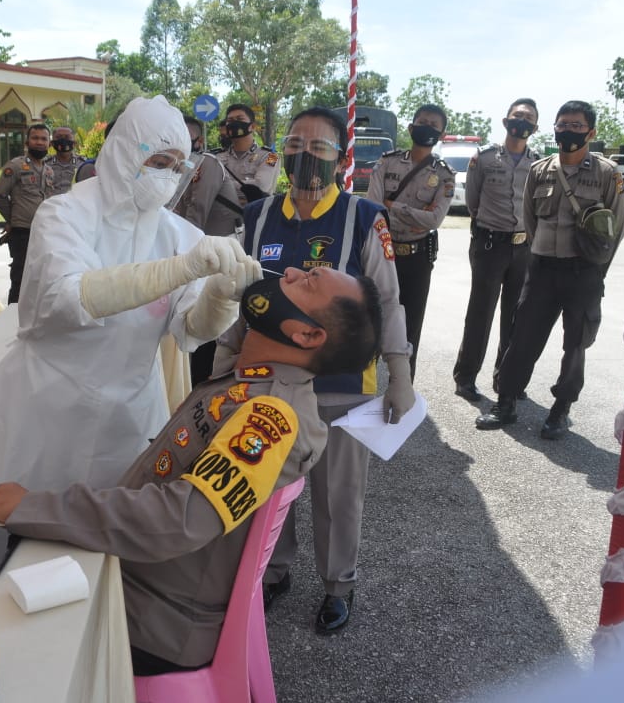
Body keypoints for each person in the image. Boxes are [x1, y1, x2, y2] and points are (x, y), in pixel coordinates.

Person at [0, 266, 384, 675]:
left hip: (150, 619)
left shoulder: (270, 416)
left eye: (309, 281)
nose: (293, 271)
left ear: (307, 334)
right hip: (133, 579)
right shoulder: (249, 381)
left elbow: (178, 521)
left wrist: (32, 509)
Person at [0, 95, 261, 519]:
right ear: (126, 151)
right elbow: (70, 299)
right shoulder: (64, 215)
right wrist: (180, 269)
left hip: (129, 410)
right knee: (31, 536)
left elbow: (191, 330)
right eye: (159, 161)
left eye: (178, 166)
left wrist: (221, 294)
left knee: (113, 536)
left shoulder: (177, 233)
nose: (169, 176)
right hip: (49, 406)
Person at [219, 107, 416, 635]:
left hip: (343, 388)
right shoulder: (258, 217)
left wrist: (400, 373)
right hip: (266, 383)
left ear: (341, 158)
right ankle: (273, 569)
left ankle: (338, 585)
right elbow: (238, 299)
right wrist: (222, 370)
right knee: (263, 482)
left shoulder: (363, 218)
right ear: (281, 151)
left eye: (320, 146)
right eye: (295, 142)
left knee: (338, 494)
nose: (305, 154)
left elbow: (389, 302)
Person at [476, 100, 624, 439]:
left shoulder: (606, 173)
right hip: (542, 270)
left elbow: (617, 228)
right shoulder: (540, 169)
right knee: (522, 338)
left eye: (576, 125)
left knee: (576, 344)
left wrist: (597, 271)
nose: (568, 131)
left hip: (583, 273)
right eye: (563, 124)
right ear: (554, 127)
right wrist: (538, 257)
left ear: (591, 131)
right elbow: (529, 219)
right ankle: (506, 402)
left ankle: (560, 409)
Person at [453, 99, 541, 402]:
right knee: (480, 313)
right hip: (490, 245)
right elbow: (473, 202)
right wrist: (488, 227)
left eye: (528, 118)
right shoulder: (486, 158)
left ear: (535, 127)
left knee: (516, 317)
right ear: (506, 121)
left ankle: (506, 378)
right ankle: (465, 377)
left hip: (523, 248)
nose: (522, 121)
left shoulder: (538, 164)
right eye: (517, 116)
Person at [366, 103, 455, 379]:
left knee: (410, 327)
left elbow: (434, 220)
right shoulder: (387, 161)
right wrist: (415, 213)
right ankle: (362, 387)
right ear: (411, 127)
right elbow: (373, 207)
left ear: (440, 134)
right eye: (422, 121)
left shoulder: (444, 174)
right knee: (369, 321)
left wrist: (393, 205)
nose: (426, 127)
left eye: (433, 125)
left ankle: (403, 385)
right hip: (382, 252)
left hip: (418, 257)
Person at [174, 114, 245, 386]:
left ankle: (204, 386)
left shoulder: (207, 164)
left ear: (198, 140)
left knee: (208, 325)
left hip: (215, 257)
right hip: (196, 253)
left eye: (184, 135)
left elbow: (196, 214)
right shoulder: (178, 165)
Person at [0, 123, 55, 303]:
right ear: (27, 142)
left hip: (44, 233)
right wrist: (12, 219)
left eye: (44, 139)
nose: (39, 142)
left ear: (49, 144)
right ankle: (11, 323)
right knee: (20, 280)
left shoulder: (49, 171)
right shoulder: (16, 166)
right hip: (22, 233)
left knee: (41, 279)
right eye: (35, 138)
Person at [216, 104, 281, 206]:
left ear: (253, 126)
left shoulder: (271, 156)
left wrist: (221, 186)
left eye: (239, 119)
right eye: (230, 120)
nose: (234, 123)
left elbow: (261, 186)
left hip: (254, 216)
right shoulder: (217, 157)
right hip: (223, 217)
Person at [44, 126, 87, 195]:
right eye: (59, 137)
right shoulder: (45, 164)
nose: (63, 141)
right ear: (52, 143)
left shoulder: (83, 164)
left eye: (67, 137)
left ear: (74, 143)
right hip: (53, 204)